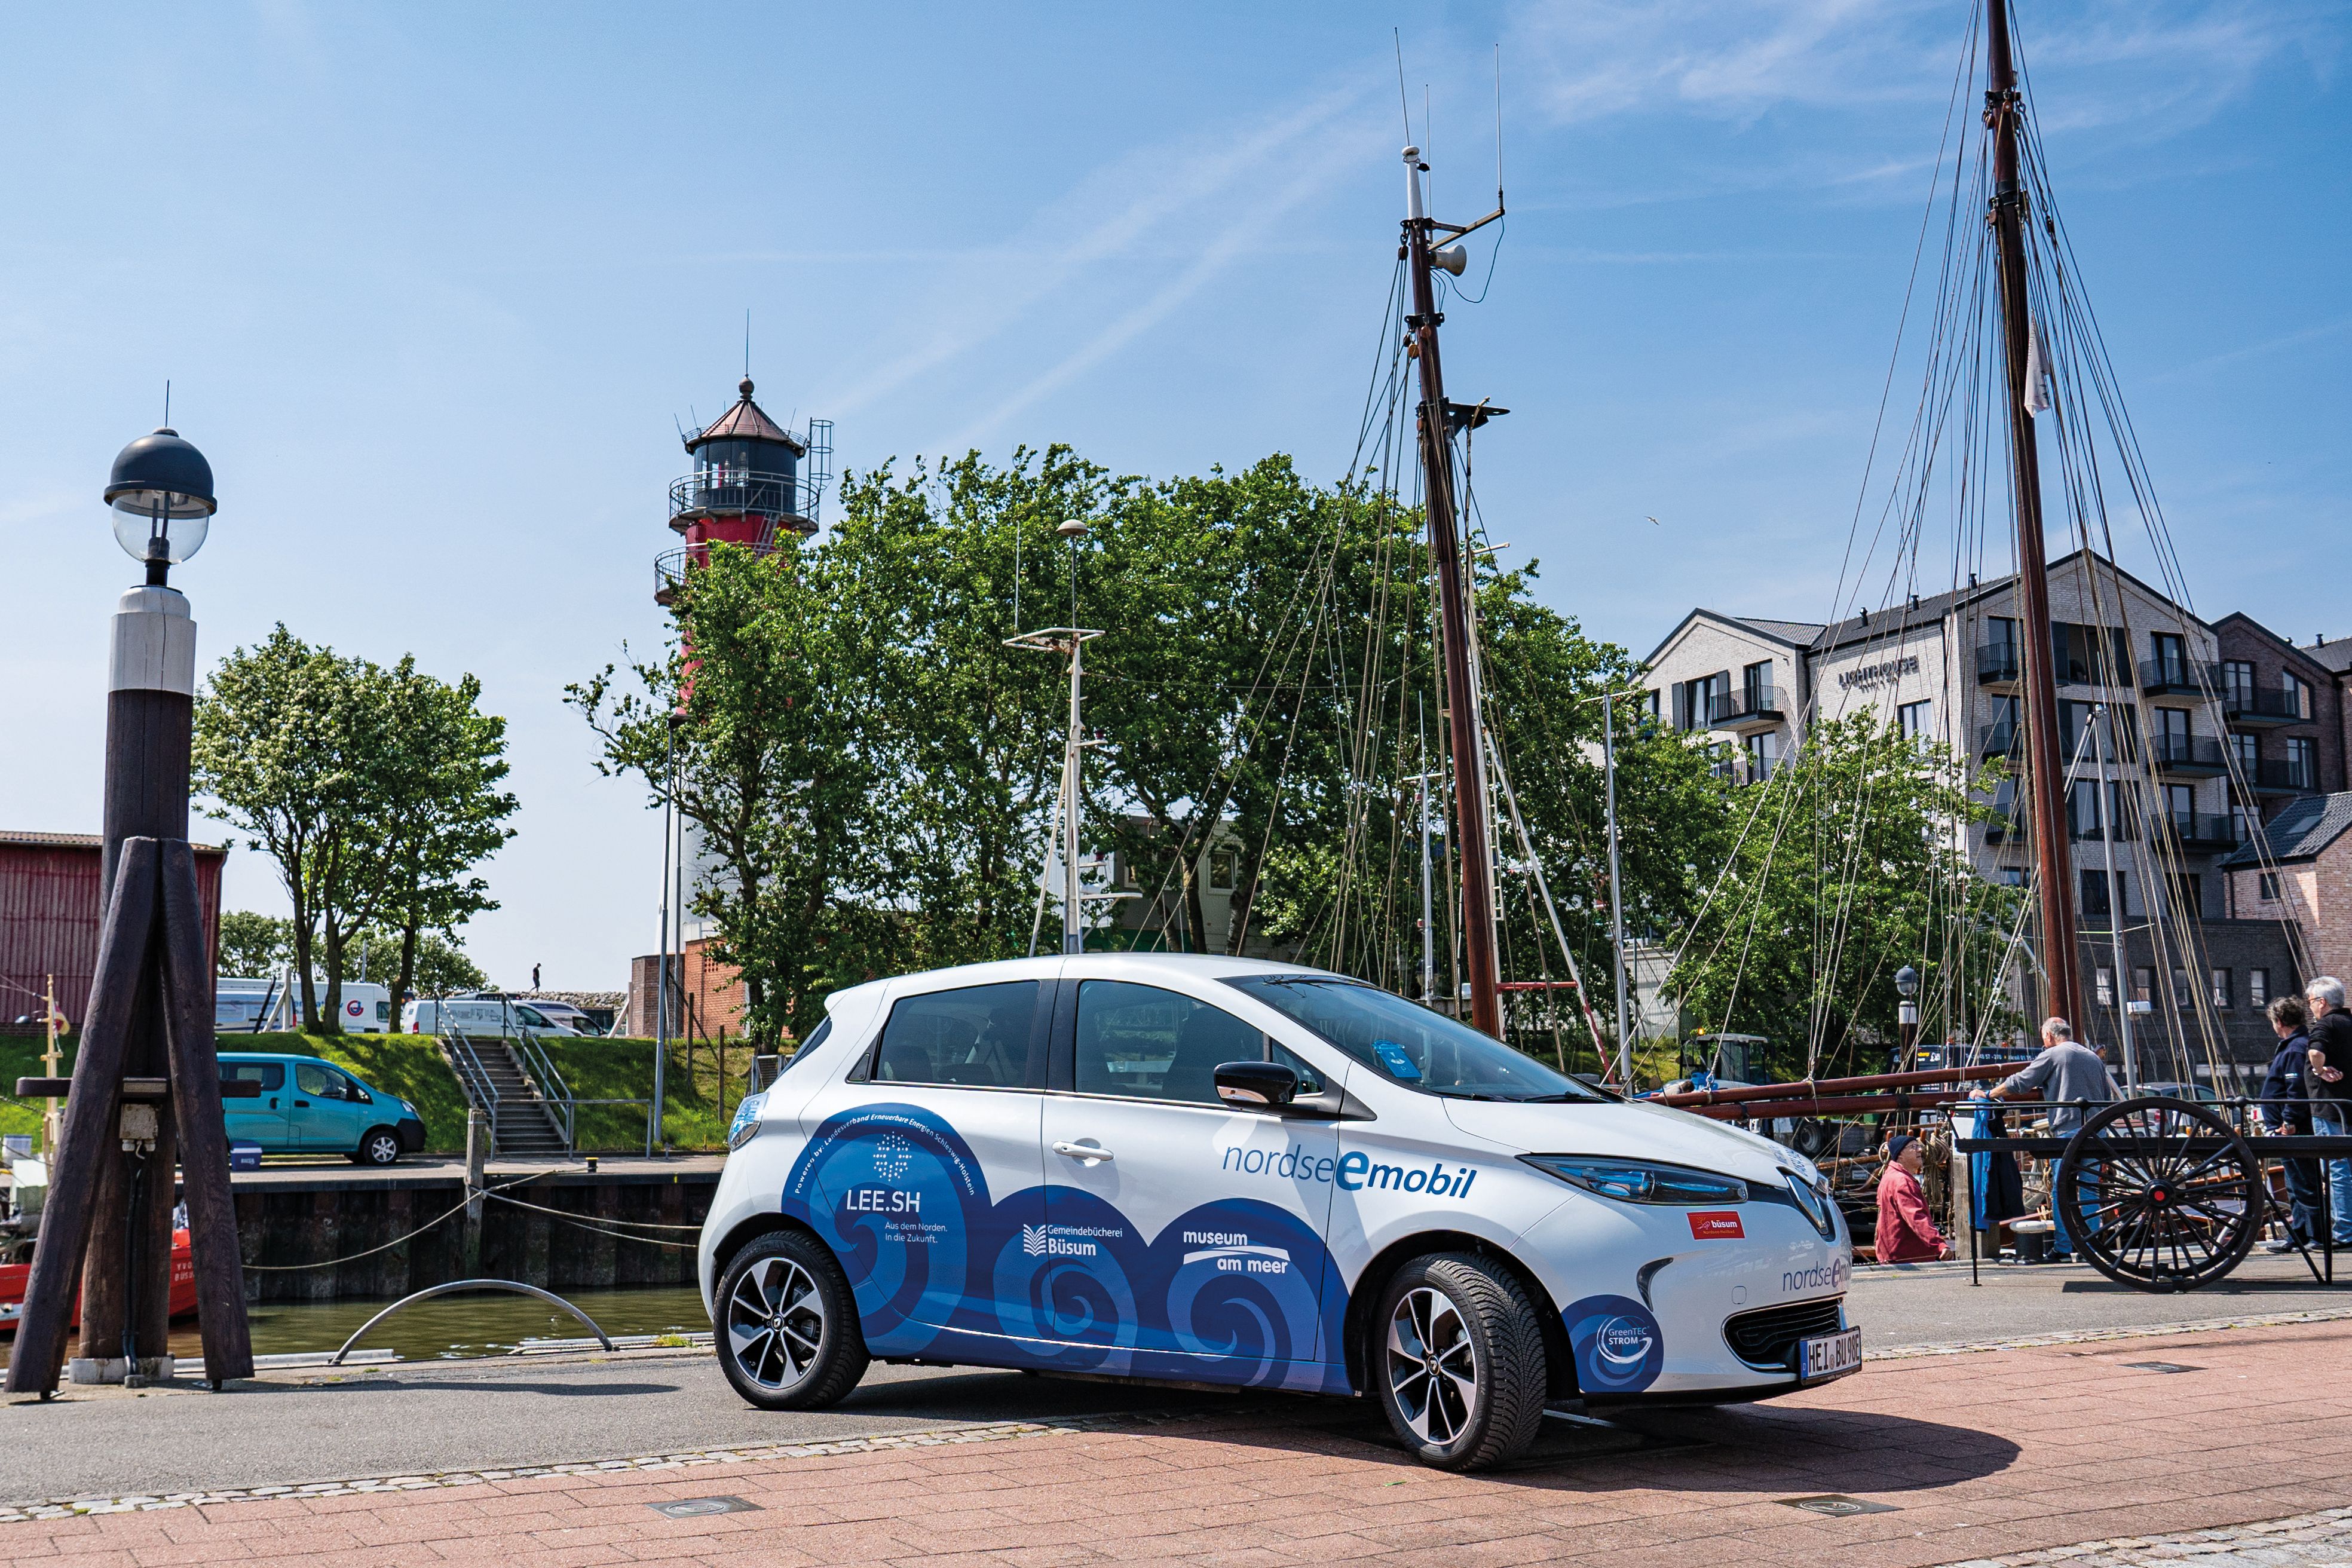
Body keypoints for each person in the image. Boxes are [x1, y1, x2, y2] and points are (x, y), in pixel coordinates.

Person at [1975, 1017, 2121, 1261]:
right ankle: (2091, 1249)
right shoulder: (2094, 1058)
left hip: (2067, 1133)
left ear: (2049, 1037)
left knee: (2061, 1191)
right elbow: (2105, 1096)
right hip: (2095, 1134)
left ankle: (2063, 1249)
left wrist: (1989, 1093)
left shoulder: (2053, 1055)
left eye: (2043, 1038)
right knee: (2088, 1192)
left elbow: (2021, 1082)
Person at [2257, 995, 2320, 1253]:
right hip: (2287, 1128)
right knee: (2295, 1184)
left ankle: (2316, 1236)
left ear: (2279, 1021)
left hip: (2292, 1129)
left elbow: (2296, 1089)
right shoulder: (2294, 1045)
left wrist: (2289, 1122)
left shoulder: (2294, 1049)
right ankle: (2301, 1236)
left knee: (2304, 1184)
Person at [2302, 977, 2352, 1247]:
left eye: (2311, 1002)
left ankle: (2344, 1233)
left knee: (2337, 1170)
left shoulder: (2325, 1024)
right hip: (2348, 1106)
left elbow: (2315, 1051)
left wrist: (2320, 1070)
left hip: (2329, 1107)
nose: (2310, 1008)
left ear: (2322, 1002)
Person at [1874, 1134, 1949, 1262]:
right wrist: (1939, 1245)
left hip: (1893, 1252)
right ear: (1900, 1154)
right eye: (1913, 1147)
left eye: (1918, 1146)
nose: (1920, 1150)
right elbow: (1917, 1218)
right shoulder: (1903, 1182)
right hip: (1906, 1256)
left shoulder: (1889, 1176)